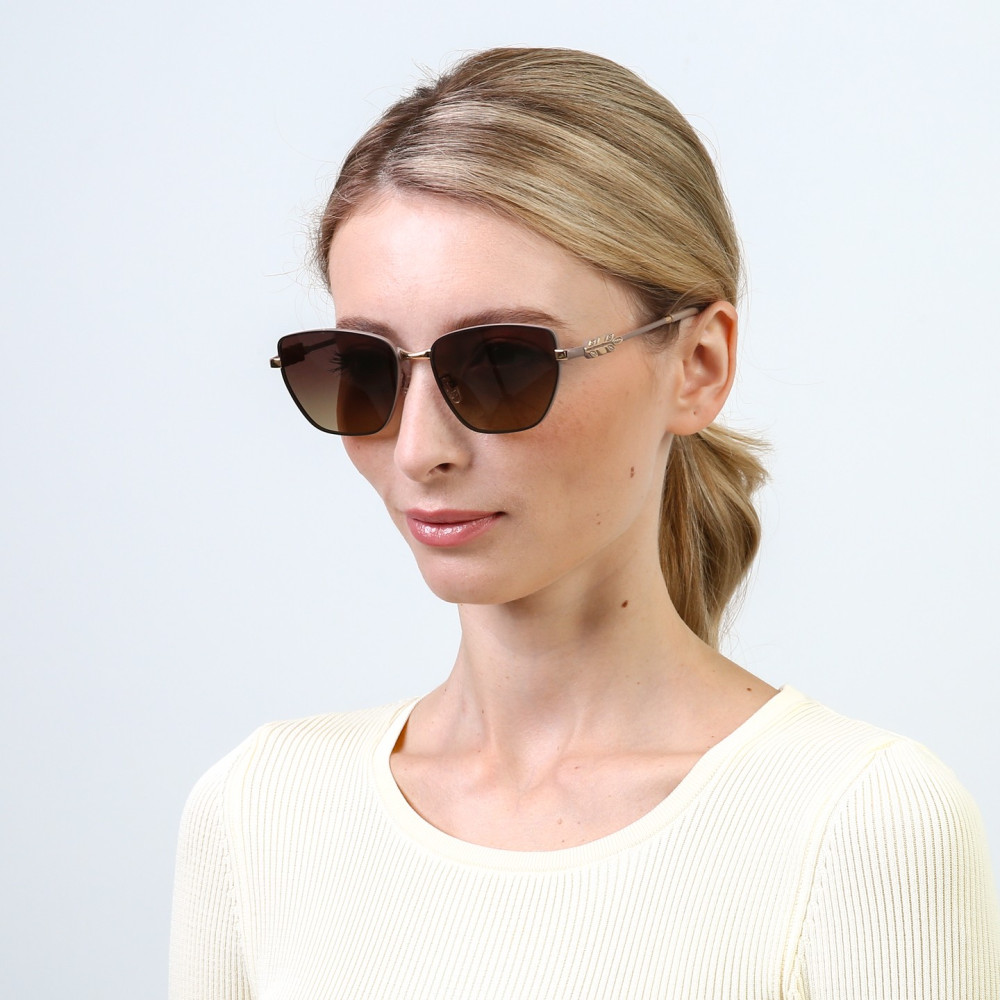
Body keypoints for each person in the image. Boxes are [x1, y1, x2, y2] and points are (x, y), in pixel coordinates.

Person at [169, 47, 1000, 998]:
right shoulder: (260, 813)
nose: (419, 450)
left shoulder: (858, 824)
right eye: (361, 369)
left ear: (698, 366)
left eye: (501, 363)